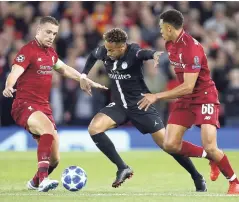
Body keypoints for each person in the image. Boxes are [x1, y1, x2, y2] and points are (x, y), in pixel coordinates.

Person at [81, 27, 215, 190]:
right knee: (94, 128)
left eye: (111, 50)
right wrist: (83, 75)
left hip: (141, 104)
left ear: (122, 47)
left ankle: (197, 176)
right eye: (106, 49)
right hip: (119, 105)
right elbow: (93, 56)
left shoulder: (133, 51)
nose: (107, 53)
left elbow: (143, 54)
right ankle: (123, 167)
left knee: (168, 145)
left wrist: (153, 55)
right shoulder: (105, 50)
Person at [138, 9, 239, 194]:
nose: (159, 31)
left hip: (204, 96)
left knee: (211, 145)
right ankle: (209, 157)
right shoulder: (169, 44)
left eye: (161, 27)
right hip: (186, 98)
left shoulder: (191, 48)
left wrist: (157, 96)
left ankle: (234, 182)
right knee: (170, 145)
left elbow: (188, 86)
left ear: (169, 28)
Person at [2, 16, 107, 192]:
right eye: (48, 32)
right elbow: (15, 71)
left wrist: (84, 79)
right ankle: (44, 180)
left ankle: (34, 182)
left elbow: (64, 69)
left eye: (54, 34)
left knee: (55, 159)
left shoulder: (51, 54)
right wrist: (9, 86)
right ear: (38, 31)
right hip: (24, 104)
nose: (51, 36)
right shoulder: (28, 50)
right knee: (47, 130)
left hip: (43, 107)